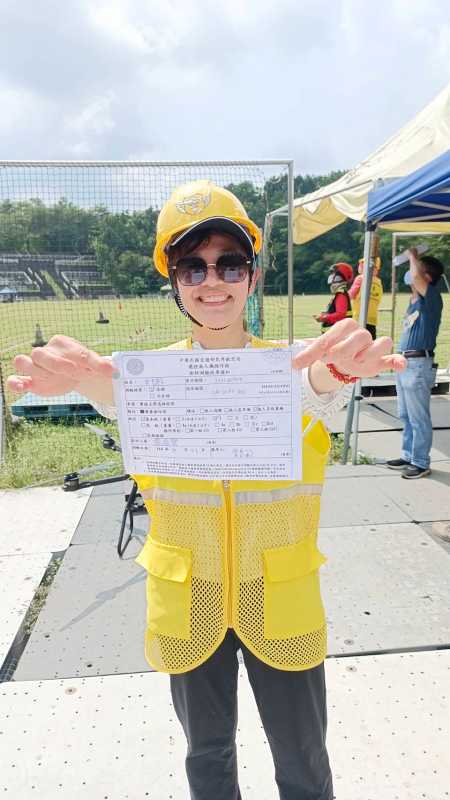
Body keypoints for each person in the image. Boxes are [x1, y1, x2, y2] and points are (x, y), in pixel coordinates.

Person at [7, 181, 406, 800]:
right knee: (207, 758)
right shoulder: (148, 379)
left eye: (230, 264)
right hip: (191, 599)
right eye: (193, 266)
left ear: (252, 276)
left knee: (303, 760)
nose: (212, 280)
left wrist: (338, 370)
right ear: (174, 282)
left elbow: (314, 388)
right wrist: (81, 382)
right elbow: (113, 394)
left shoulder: (293, 368)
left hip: (278, 597)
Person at [387, 247, 444, 480]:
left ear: (426, 277)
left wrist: (412, 256)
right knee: (405, 414)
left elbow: (417, 279)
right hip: (405, 363)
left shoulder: (432, 298)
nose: (411, 275)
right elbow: (414, 283)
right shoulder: (416, 301)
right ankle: (409, 455)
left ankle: (420, 462)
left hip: (419, 364)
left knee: (418, 417)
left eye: (416, 271)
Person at [349, 257, 384, 339]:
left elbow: (352, 294)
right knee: (370, 340)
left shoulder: (361, 278)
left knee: (357, 341)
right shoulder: (378, 282)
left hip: (360, 317)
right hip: (373, 319)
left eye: (362, 264)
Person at [314, 262, 353, 332]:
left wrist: (324, 317)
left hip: (336, 334)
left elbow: (340, 314)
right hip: (336, 334)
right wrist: (326, 314)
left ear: (340, 277)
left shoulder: (341, 294)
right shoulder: (340, 293)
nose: (331, 276)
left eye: (334, 273)